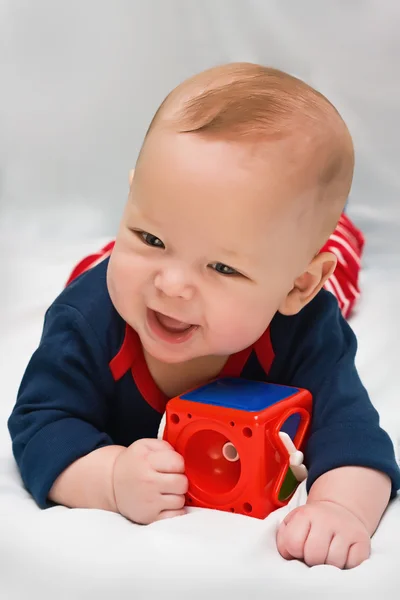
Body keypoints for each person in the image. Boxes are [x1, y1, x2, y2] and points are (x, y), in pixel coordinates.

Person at [8, 63, 400, 570]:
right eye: (149, 236)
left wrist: (339, 507)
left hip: (290, 286)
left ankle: (336, 236)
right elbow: (41, 427)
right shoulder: (86, 323)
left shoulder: (306, 323)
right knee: (112, 269)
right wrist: (109, 479)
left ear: (298, 285)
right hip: (105, 278)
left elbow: (355, 437)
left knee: (338, 264)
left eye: (222, 267)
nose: (171, 285)